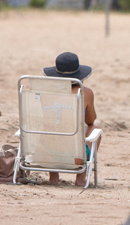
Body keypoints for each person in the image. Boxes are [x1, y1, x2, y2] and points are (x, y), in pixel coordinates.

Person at [42, 52, 101, 185]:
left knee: (51, 128)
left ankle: (53, 177)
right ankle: (80, 178)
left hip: (45, 156)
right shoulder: (85, 93)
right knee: (94, 128)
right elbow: (90, 121)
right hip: (75, 157)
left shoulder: (45, 93)